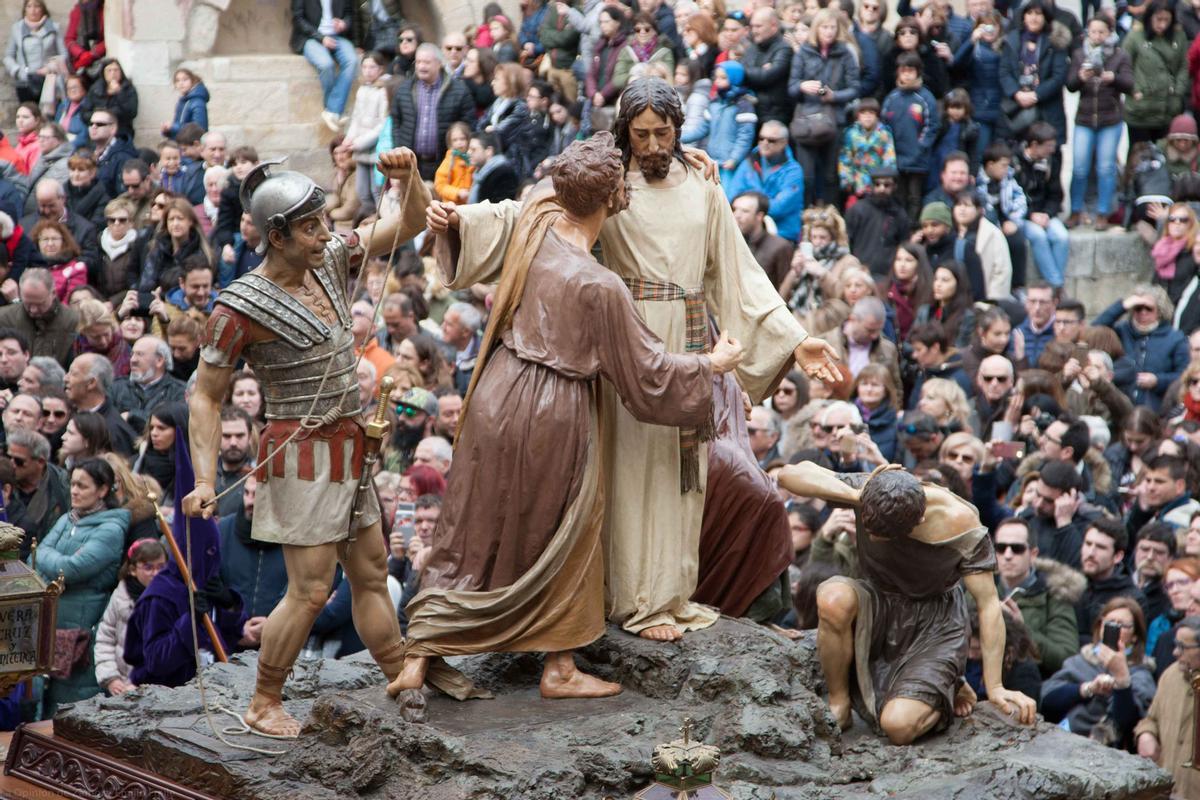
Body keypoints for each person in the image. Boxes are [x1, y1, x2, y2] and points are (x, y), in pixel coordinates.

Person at [428, 78, 838, 642]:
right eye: (640, 134)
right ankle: (625, 598)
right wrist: (462, 222)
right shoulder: (609, 184)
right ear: (624, 132)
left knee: (680, 475)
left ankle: (670, 594)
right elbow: (535, 211)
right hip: (627, 334)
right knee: (627, 467)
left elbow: (739, 272)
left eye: (662, 133)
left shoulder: (704, 186)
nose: (650, 145)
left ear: (679, 129)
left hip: (693, 338)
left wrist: (795, 339)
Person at [394, 133, 744, 709]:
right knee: (570, 529)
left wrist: (450, 223)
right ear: (612, 200)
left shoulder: (537, 223)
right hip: (554, 405)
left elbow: (499, 216)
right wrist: (712, 363)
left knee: (470, 524)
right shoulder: (600, 285)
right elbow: (648, 376)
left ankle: (420, 656)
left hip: (495, 391)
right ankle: (558, 665)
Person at [182, 149, 428, 736]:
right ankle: (264, 701)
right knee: (313, 588)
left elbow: (412, 223)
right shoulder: (237, 306)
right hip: (298, 455)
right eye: (310, 227)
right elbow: (205, 396)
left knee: (370, 573)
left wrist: (410, 177)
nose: (324, 234)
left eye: (323, 222)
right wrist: (207, 480)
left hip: (352, 448)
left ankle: (400, 678)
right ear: (276, 236)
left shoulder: (329, 259)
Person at [781, 463, 1036, 743]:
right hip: (880, 600)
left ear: (918, 522)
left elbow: (988, 605)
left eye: (885, 535)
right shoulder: (873, 488)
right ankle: (840, 703)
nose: (873, 536)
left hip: (935, 622)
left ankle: (947, 688)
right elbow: (789, 474)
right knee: (832, 596)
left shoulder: (958, 521)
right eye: (868, 526)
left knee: (899, 727)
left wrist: (996, 685)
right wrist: (857, 496)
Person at [30, 457, 129, 716]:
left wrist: (52, 562)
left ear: (103, 490)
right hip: (53, 625)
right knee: (45, 700)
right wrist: (55, 561)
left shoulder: (111, 529)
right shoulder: (67, 519)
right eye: (73, 484)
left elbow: (72, 569)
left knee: (72, 706)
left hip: (83, 630)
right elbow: (35, 556)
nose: (74, 491)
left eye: (82, 486)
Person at [1042, 597, 1156, 747]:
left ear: (1135, 636)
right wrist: (1087, 689)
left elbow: (1129, 723)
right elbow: (1047, 702)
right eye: (1109, 622)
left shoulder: (1141, 673)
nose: (1114, 628)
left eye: (1122, 625)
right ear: (1100, 626)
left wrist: (1122, 679)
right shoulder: (1080, 661)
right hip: (1063, 740)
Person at [1065, 15, 1132, 231]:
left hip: (1110, 118)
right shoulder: (1079, 53)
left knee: (1106, 168)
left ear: (1110, 32)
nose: (1097, 36)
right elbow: (1071, 85)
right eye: (1093, 32)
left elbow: (1129, 83)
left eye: (1102, 32)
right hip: (1084, 118)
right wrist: (1081, 76)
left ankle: (1103, 212)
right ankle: (1076, 210)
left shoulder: (1120, 55)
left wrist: (1114, 78)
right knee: (1080, 167)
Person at [788, 8, 861, 206]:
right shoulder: (804, 51)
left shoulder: (845, 52)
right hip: (807, 120)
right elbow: (791, 88)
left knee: (831, 175)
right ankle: (805, 215)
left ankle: (831, 216)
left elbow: (855, 88)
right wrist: (802, 86)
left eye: (832, 27)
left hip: (834, 120)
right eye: (824, 27)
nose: (828, 32)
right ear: (816, 29)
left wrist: (834, 96)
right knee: (807, 176)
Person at [391, 44, 477, 181]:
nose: (421, 66)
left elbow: (469, 125)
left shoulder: (459, 91)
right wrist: (399, 147)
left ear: (439, 64)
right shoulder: (404, 89)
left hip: (446, 164)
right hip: (411, 164)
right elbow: (395, 121)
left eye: (426, 62)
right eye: (418, 62)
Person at [1095, 285, 1188, 412]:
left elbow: (1185, 375)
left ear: (1159, 311)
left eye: (1148, 309)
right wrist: (1123, 306)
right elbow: (1095, 332)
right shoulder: (1122, 331)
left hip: (1156, 409)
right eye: (1138, 308)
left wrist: (1158, 381)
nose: (1143, 313)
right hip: (1119, 406)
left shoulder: (1175, 338)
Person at [1135, 615, 1200, 796]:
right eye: (1175, 644)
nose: (1175, 653)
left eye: (1183, 647)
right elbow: (1151, 719)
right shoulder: (1170, 675)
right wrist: (1146, 734)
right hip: (1166, 790)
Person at [93, 537, 165, 696]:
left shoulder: (169, 599)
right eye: (148, 567)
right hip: (122, 685)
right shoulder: (120, 596)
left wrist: (140, 681)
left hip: (157, 689)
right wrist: (111, 678)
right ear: (133, 569)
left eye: (161, 567)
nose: (156, 573)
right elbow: (105, 638)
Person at [997, 0, 1069, 145]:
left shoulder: (1055, 42)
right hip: (1017, 108)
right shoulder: (1012, 40)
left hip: (1047, 110)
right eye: (1029, 13)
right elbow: (1004, 71)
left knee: (1049, 153)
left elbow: (1059, 76)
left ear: (1045, 17)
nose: (1033, 18)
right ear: (1023, 17)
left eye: (1038, 13)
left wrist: (1036, 94)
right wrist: (1017, 93)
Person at [1123, 1, 1188, 146]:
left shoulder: (1178, 36)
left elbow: (1184, 66)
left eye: (1167, 20)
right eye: (1158, 19)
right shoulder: (1135, 37)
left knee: (1164, 155)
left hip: (1168, 107)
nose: (1162, 25)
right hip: (1141, 109)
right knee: (1139, 157)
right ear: (1150, 17)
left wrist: (1178, 91)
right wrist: (1134, 89)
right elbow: (1124, 66)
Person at [1012, 123, 1069, 289]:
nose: (1052, 150)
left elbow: (1056, 193)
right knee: (1038, 236)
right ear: (1034, 145)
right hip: (1022, 214)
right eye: (1048, 146)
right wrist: (1031, 215)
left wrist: (1047, 213)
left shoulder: (1052, 161)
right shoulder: (1015, 161)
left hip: (1044, 212)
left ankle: (1053, 287)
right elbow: (1013, 197)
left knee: (1061, 237)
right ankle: (1057, 287)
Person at [1076, 517, 1148, 644]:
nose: (1091, 553)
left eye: (1100, 547)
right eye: (1088, 544)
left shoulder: (1133, 599)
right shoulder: (1070, 587)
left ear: (1117, 556)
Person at [289, 0, 358, 132]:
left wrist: (344, 24)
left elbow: (350, 14)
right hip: (310, 38)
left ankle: (332, 110)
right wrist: (321, 38)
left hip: (337, 37)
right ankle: (334, 110)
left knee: (352, 61)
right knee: (326, 64)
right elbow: (298, 19)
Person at [4, 0, 66, 106]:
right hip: (25, 81)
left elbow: (64, 54)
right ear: (25, 10)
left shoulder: (54, 28)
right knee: (29, 112)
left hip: (49, 80)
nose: (33, 10)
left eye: (37, 6)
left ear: (43, 9)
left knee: (48, 115)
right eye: (29, 6)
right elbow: (8, 56)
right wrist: (18, 71)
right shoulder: (17, 29)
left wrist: (50, 68)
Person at [837, 98, 897, 207]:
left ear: (877, 116)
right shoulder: (851, 134)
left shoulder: (884, 134)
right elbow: (845, 159)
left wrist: (886, 180)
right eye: (863, 113)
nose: (867, 117)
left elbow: (889, 158)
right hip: (857, 182)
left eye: (871, 113)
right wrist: (847, 180)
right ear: (858, 116)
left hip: (878, 184)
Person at [731, 191, 793, 290]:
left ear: (759, 216)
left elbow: (786, 291)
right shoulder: (729, 244)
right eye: (734, 209)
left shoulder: (780, 247)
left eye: (745, 211)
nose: (737, 215)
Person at [81, 58, 138, 140]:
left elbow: (131, 112)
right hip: (97, 131)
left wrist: (119, 93)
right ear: (103, 73)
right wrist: (100, 116)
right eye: (109, 70)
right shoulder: (95, 89)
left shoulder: (128, 89)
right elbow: (84, 113)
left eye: (116, 70)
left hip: (120, 133)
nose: (113, 73)